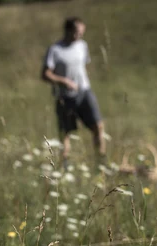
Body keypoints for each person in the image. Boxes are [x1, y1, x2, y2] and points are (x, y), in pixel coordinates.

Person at [41, 17, 105, 169]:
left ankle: (101, 162)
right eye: (77, 32)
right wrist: (63, 81)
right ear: (68, 30)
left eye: (82, 32)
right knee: (66, 132)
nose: (80, 35)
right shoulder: (55, 50)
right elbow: (45, 74)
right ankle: (65, 165)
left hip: (84, 91)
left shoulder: (82, 46)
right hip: (64, 96)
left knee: (98, 125)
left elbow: (82, 66)